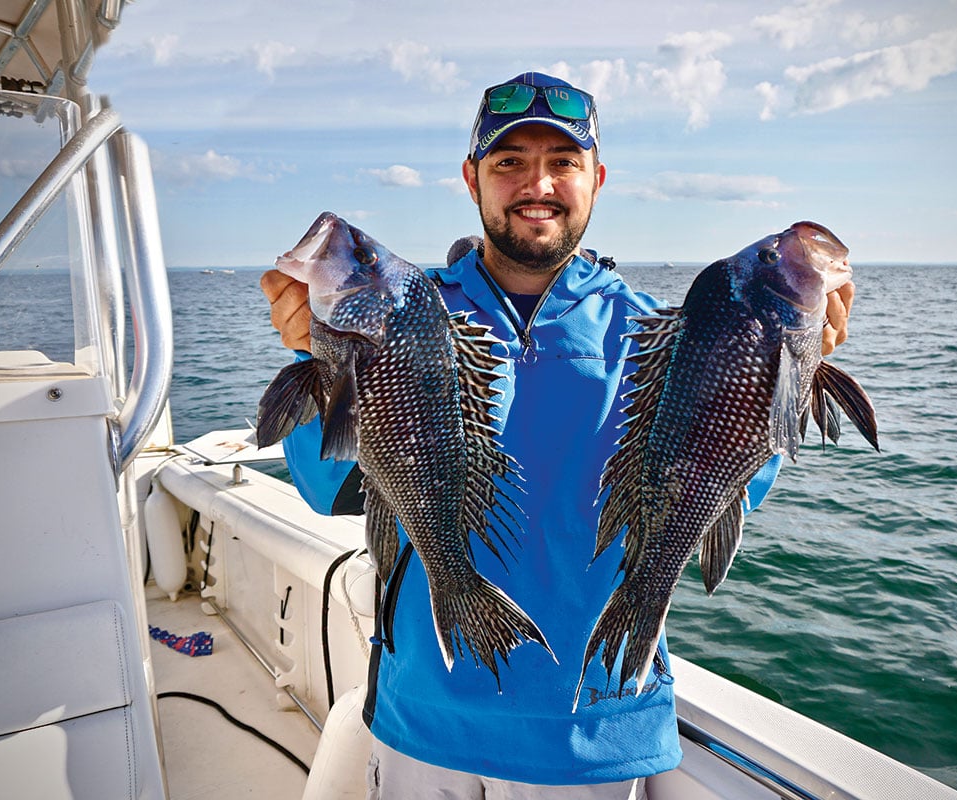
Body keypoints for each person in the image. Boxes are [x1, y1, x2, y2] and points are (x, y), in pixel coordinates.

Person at [261, 71, 854, 799]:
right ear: (472, 178)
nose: (535, 183)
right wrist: (315, 358)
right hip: (426, 721)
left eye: (562, 163)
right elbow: (332, 488)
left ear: (596, 179)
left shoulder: (665, 330)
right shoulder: (401, 312)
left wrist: (785, 373)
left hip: (592, 735)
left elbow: (726, 489)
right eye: (509, 162)